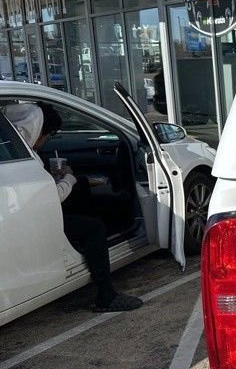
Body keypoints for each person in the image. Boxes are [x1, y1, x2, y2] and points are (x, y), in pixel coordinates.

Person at [5, 102, 143, 312]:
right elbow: (54, 197)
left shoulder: (10, 148)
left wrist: (62, 179)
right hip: (35, 220)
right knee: (94, 228)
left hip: (21, 217)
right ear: (39, 130)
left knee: (81, 189)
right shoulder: (26, 156)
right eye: (48, 135)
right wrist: (68, 178)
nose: (45, 141)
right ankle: (106, 296)